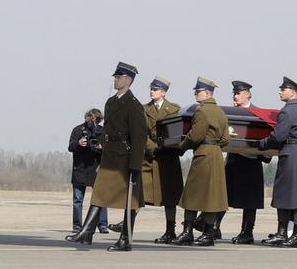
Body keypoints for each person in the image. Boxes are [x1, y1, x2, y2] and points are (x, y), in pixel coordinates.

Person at [65, 62, 146, 252]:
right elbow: (107, 129)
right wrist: (99, 142)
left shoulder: (134, 106)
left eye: (118, 77)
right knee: (100, 193)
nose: (115, 80)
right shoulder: (111, 102)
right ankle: (86, 232)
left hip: (124, 158)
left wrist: (135, 165)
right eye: (115, 77)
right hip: (109, 156)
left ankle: (125, 239)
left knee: (130, 200)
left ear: (128, 80)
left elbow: (139, 137)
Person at [108, 76, 183, 243]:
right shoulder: (142, 109)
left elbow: (177, 132)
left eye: (155, 90)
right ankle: (126, 226)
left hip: (168, 158)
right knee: (138, 194)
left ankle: (170, 231)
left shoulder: (174, 109)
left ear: (163, 92)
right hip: (150, 157)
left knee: (169, 198)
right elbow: (141, 132)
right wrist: (152, 147)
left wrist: (168, 146)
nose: (152, 92)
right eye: (151, 89)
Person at [259, 76, 297, 247]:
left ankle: (282, 233)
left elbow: (278, 136)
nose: (279, 91)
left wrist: (261, 144)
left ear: (292, 92)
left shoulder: (286, 111)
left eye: (282, 89)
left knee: (284, 194)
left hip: (289, 155)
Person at [172, 77, 229, 247]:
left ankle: (187, 232)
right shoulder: (220, 112)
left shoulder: (201, 111)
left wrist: (181, 147)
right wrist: (215, 146)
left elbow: (195, 135)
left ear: (206, 93)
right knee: (211, 196)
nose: (195, 94)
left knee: (193, 194)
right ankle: (208, 234)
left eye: (197, 91)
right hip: (216, 154)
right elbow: (226, 138)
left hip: (203, 155)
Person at [223, 81, 266, 244]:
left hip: (251, 161)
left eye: (239, 92)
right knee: (223, 196)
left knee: (250, 200)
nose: (235, 95)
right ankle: (212, 228)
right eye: (234, 92)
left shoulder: (258, 113)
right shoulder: (229, 113)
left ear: (248, 94)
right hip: (234, 160)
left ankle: (247, 232)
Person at [68, 108, 108, 234]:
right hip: (80, 169)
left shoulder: (102, 132)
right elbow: (70, 147)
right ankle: (77, 226)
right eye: (90, 120)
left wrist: (102, 147)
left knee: (101, 199)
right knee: (78, 200)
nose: (92, 122)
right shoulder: (78, 130)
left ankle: (102, 225)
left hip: (96, 170)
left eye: (95, 120)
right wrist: (79, 143)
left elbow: (109, 150)